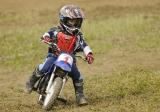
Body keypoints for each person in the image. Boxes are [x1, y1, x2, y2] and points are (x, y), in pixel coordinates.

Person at [25, 4, 94, 106]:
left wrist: (89, 54)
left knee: (78, 76)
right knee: (44, 67)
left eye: (77, 21)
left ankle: (80, 96)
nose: (74, 24)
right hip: (54, 55)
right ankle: (31, 81)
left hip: (70, 59)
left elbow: (84, 45)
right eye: (71, 21)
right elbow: (47, 34)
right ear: (63, 19)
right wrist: (46, 38)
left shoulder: (79, 36)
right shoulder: (56, 31)